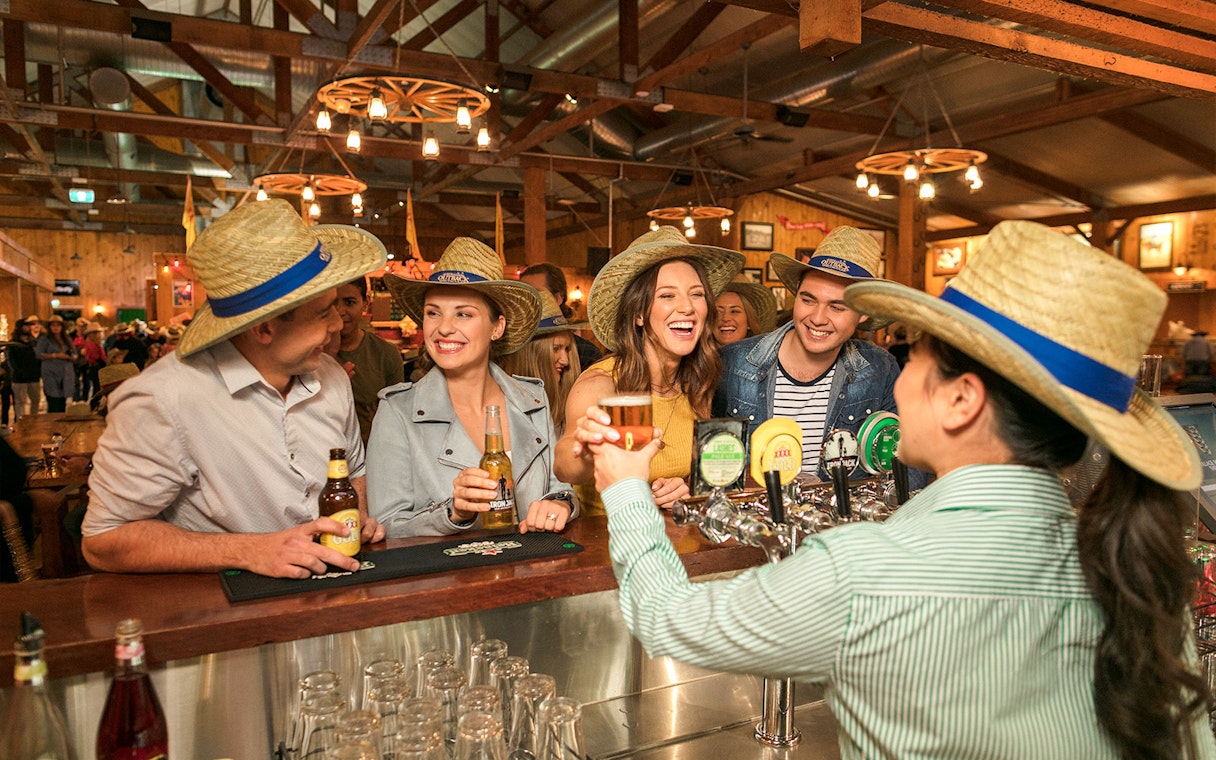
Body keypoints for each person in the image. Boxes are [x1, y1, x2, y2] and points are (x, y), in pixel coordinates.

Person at [584, 220, 1216, 760]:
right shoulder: (1138, 579)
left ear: (962, 400)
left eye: (916, 356)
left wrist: (624, 488)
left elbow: (667, 619)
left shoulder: (867, 570)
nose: (899, 371)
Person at [81, 199, 388, 578]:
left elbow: (354, 471)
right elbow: (104, 540)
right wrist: (250, 549)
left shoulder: (332, 375)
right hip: (225, 609)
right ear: (263, 329)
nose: (339, 325)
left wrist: (356, 516)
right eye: (324, 313)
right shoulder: (163, 399)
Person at [367, 237, 577, 537]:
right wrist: (453, 512)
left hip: (532, 572)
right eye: (433, 312)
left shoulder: (533, 400)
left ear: (497, 327)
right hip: (451, 580)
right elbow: (385, 526)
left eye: (463, 314)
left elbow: (562, 489)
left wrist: (560, 505)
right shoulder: (398, 411)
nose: (444, 328)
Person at [555, 225, 744, 514]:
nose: (687, 308)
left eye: (696, 295)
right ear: (640, 314)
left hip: (678, 547)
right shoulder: (601, 384)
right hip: (609, 547)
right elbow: (565, 467)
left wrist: (688, 486)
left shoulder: (699, 382)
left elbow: (705, 476)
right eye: (668, 296)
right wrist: (589, 446)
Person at [713, 226, 905, 481]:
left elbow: (906, 462)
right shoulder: (732, 362)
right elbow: (708, 464)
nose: (817, 318)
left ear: (863, 313)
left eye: (836, 307)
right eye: (808, 300)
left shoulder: (880, 368)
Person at [499, 291, 584, 436]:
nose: (565, 360)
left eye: (567, 349)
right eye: (556, 349)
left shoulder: (564, 406)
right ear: (531, 353)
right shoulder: (504, 406)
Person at [334, 277, 405, 445]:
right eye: (333, 303)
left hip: (372, 455)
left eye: (349, 302)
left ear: (365, 303)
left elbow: (397, 417)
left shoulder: (385, 354)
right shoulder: (311, 354)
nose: (340, 311)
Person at [520, 262, 601, 371]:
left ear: (558, 298)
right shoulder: (511, 349)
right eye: (522, 294)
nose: (526, 300)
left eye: (536, 294)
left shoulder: (585, 353)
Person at [35, 315, 78, 413]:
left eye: (58, 325)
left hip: (66, 372)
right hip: (51, 372)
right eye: (53, 325)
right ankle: (52, 425)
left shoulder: (67, 339)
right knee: (53, 400)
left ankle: (60, 424)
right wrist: (56, 355)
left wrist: (72, 356)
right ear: (49, 327)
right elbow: (38, 354)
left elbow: (75, 353)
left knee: (63, 401)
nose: (56, 327)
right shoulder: (44, 339)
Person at [714, 279, 776, 346]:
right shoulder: (701, 355)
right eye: (718, 312)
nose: (725, 318)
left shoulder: (763, 355)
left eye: (734, 311)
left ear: (749, 322)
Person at [8, 317, 42, 419]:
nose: (28, 328)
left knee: (36, 400)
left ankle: (34, 420)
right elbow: (11, 361)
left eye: (29, 325)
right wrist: (18, 371)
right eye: (26, 325)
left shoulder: (33, 342)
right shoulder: (13, 343)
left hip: (33, 376)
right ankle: (21, 422)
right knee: (20, 402)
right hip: (20, 378)